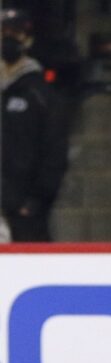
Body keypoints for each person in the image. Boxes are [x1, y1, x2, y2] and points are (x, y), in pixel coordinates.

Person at [1, 9, 68, 242]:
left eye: (15, 33)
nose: (8, 38)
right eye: (3, 32)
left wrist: (36, 200)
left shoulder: (40, 92)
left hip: (23, 211)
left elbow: (54, 151)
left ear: (27, 39)